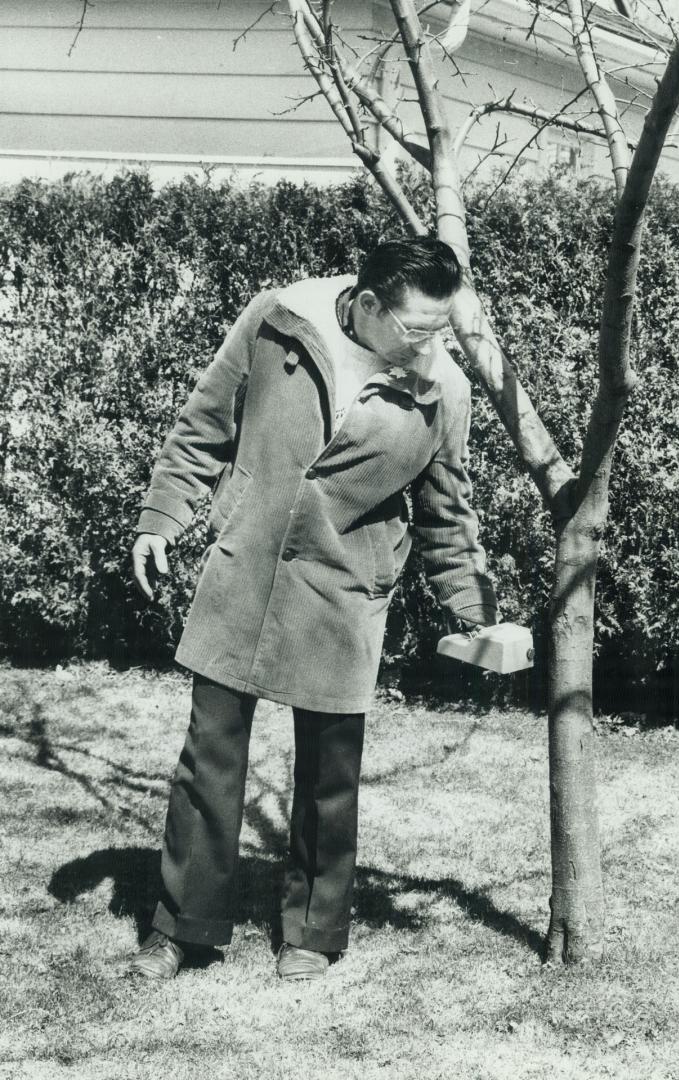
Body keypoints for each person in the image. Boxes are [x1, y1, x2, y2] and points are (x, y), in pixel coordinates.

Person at [127, 237, 498, 982]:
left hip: (343, 587)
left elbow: (446, 513)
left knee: (330, 772)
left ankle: (314, 930)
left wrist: (472, 607)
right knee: (210, 758)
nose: (430, 342)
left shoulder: (441, 391)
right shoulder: (279, 320)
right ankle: (184, 925)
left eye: (440, 325)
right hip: (247, 566)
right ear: (366, 305)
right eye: (416, 328)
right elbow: (205, 423)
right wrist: (161, 514)